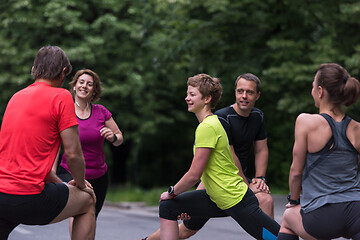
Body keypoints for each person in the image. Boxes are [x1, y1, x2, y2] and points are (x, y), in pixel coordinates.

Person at [142, 73, 273, 240]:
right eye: (187, 94)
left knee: (279, 238)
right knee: (168, 207)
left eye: (192, 94)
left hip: (234, 198)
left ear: (207, 99)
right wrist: (187, 202)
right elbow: (208, 171)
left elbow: (194, 174)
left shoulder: (208, 127)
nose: (187, 98)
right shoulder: (213, 122)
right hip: (217, 195)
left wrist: (171, 191)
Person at [0, 46, 96, 240]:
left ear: (35, 68)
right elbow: (73, 154)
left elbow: (30, 163)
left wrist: (61, 185)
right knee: (87, 201)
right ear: (63, 73)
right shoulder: (61, 96)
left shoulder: (16, 97)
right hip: (28, 197)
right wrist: (80, 184)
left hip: (1, 193)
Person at [278, 63, 360, 240]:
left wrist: (293, 201)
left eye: (313, 86)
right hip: (357, 211)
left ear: (320, 91)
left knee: (288, 218)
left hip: (322, 216)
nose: (312, 90)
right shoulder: (357, 129)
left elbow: (296, 172)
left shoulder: (306, 122)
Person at [56, 69, 123, 219]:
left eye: (89, 84)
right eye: (81, 82)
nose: (84, 86)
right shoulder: (64, 111)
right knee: (78, 212)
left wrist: (112, 137)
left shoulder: (101, 112)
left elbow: (119, 138)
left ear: (94, 90)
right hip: (70, 172)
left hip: (99, 175)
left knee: (91, 217)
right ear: (74, 86)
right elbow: (53, 144)